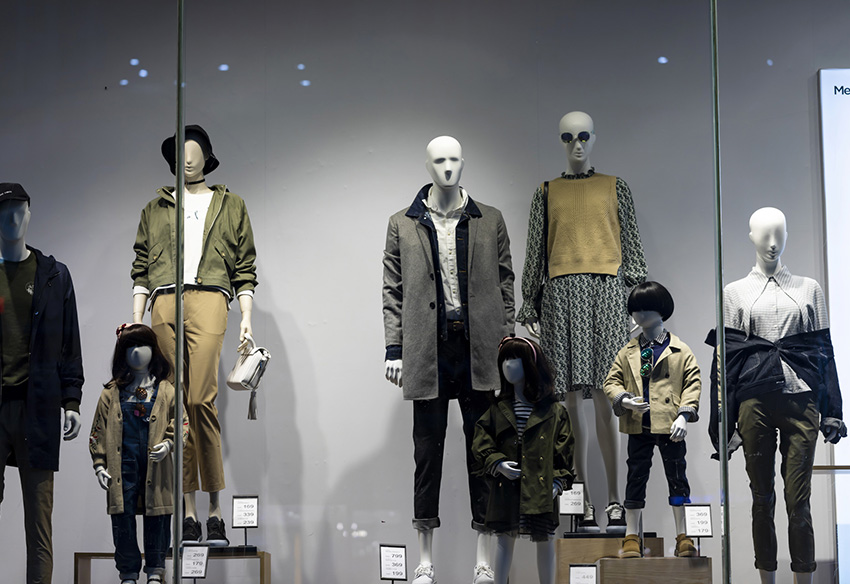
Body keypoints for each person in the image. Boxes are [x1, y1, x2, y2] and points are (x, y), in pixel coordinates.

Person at [382, 136, 515, 584]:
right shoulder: (402, 223)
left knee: (484, 450)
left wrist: (506, 341)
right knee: (427, 453)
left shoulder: (489, 219)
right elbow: (393, 291)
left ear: (464, 162)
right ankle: (424, 559)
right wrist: (395, 348)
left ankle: (483, 558)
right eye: (439, 160)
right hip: (428, 350)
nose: (448, 167)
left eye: (455, 159)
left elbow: (506, 282)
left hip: (480, 349)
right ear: (427, 165)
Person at [518, 111, 647, 532]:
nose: (577, 144)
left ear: (594, 139)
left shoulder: (615, 187)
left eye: (584, 136)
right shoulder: (545, 192)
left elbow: (632, 246)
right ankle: (582, 500)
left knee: (608, 398)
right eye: (568, 137)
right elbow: (535, 251)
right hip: (560, 297)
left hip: (606, 294)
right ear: (560, 141)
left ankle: (614, 500)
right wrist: (530, 303)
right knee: (571, 403)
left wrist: (637, 301)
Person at [131, 125, 258, 545]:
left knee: (202, 399)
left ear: (207, 155)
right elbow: (141, 268)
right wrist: (136, 319)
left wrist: (246, 317)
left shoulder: (231, 204)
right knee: (176, 404)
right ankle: (188, 513)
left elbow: (244, 267)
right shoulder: (154, 208)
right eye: (179, 152)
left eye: (194, 150)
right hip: (164, 302)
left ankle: (216, 510)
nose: (186, 158)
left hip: (210, 298)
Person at [708, 207, 845, 584]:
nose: (772, 242)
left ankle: (804, 577)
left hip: (801, 400)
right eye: (764, 234)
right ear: (751, 237)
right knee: (761, 498)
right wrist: (723, 422)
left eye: (778, 233)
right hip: (755, 402)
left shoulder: (808, 288)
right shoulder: (734, 292)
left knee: (798, 500)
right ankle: (766, 578)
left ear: (787, 235)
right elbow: (726, 360)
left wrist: (833, 409)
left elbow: (823, 350)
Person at [0, 182, 83, 584]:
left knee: (39, 521)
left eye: (20, 210)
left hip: (39, 408)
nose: (13, 219)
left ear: (30, 214)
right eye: (4, 212)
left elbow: (70, 342)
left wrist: (72, 400)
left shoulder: (54, 275)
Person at [603, 281, 701, 558]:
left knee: (678, 478)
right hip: (639, 425)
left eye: (645, 308)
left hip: (671, 426)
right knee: (635, 478)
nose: (638, 314)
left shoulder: (680, 350)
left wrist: (684, 415)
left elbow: (693, 383)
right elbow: (611, 381)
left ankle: (683, 535)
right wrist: (623, 399)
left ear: (661, 310)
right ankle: (631, 535)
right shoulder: (627, 351)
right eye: (635, 309)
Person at [89, 323, 189, 584]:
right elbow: (98, 430)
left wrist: (168, 444)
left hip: (156, 466)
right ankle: (128, 573)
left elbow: (181, 422)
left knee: (159, 516)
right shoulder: (111, 393)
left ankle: (156, 570)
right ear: (122, 352)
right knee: (122, 518)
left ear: (153, 350)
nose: (136, 352)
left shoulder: (166, 390)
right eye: (130, 346)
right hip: (122, 466)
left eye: (142, 345)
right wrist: (99, 465)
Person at [472, 336, 574, 584]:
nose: (508, 365)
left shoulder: (554, 411)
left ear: (530, 364)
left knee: (546, 540)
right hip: (507, 487)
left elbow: (564, 450)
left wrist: (557, 483)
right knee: (504, 540)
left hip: (541, 488)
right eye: (504, 359)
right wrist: (497, 463)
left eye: (514, 358)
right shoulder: (497, 409)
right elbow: (481, 440)